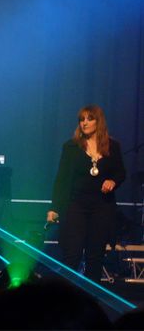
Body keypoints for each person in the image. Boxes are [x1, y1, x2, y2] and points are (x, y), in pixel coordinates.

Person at [46, 105, 125, 281]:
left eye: (89, 119)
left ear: (98, 121)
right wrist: (54, 207)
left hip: (101, 207)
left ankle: (90, 295)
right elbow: (61, 179)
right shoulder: (71, 147)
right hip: (76, 206)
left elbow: (121, 172)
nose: (85, 123)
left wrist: (113, 181)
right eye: (82, 119)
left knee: (95, 257)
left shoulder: (113, 146)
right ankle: (66, 293)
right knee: (72, 255)